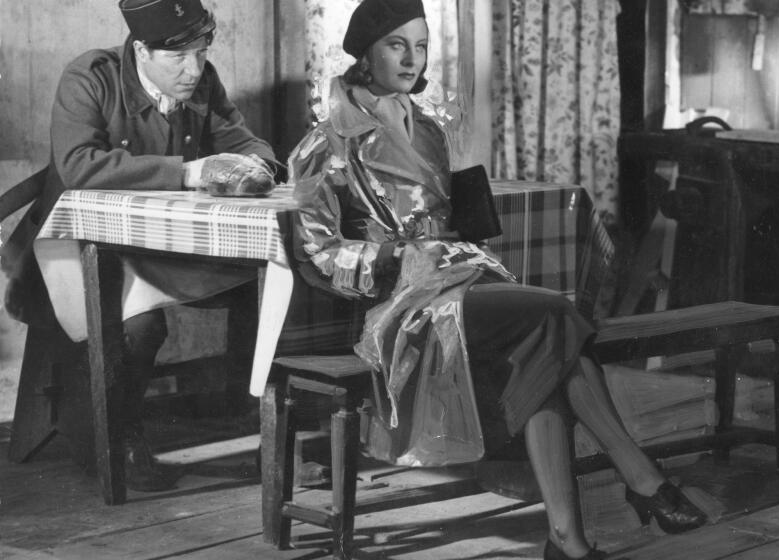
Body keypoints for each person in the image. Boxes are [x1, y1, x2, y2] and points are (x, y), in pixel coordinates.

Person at [288, 1, 709, 558]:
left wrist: (465, 216)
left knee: (545, 342)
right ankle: (637, 476)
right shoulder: (327, 142)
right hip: (403, 304)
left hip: (462, 280)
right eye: (397, 45)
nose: (413, 58)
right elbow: (318, 252)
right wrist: (391, 254)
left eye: (421, 45)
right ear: (365, 53)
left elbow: (456, 223)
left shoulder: (431, 130)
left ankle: (569, 538)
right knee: (555, 316)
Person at [1, 0, 279, 492]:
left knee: (266, 285)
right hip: (76, 249)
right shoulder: (90, 77)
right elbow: (80, 164)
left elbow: (245, 143)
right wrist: (189, 172)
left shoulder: (202, 78)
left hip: (160, 248)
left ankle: (260, 428)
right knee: (139, 326)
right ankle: (120, 439)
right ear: (141, 50)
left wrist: (258, 166)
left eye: (202, 51)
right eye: (178, 58)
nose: (194, 69)